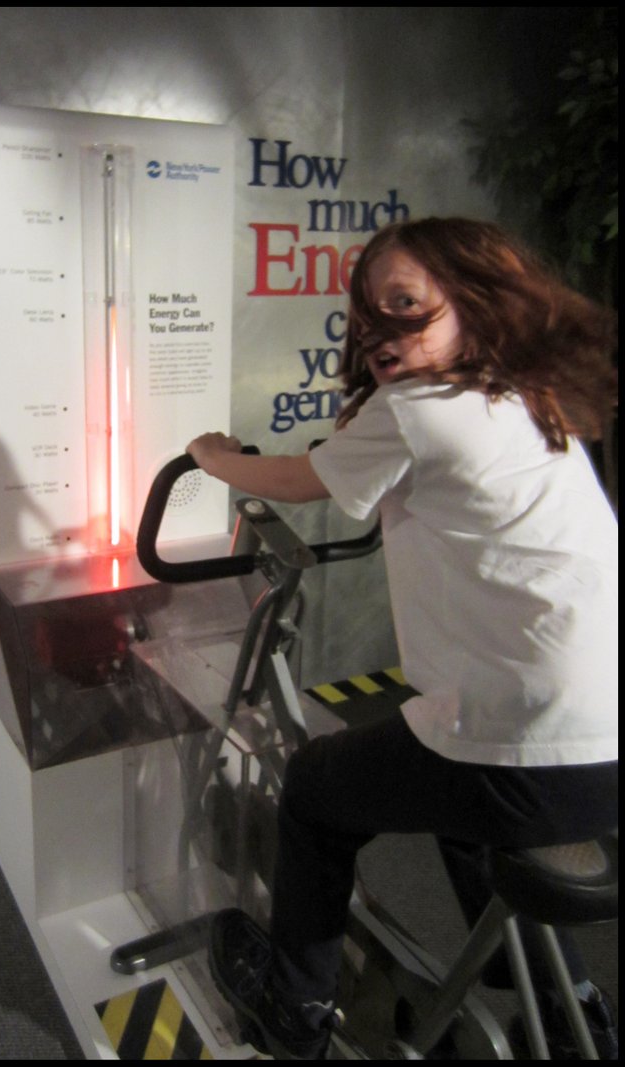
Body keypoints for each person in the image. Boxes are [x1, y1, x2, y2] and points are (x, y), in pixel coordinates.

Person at [187, 218, 618, 1059]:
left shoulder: (419, 410)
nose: (377, 329)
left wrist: (214, 458)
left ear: (478, 303)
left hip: (525, 746)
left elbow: (300, 481)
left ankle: (292, 1010)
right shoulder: (525, 399)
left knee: (314, 788)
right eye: (365, 316)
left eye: (406, 305)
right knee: (459, 807)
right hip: (600, 744)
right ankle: (575, 1010)